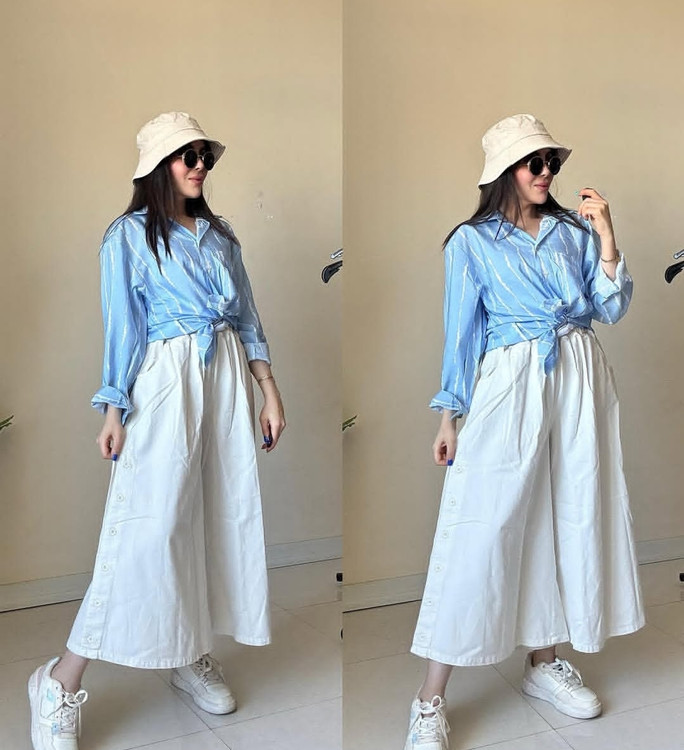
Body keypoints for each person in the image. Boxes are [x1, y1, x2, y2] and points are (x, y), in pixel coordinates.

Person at [28, 111, 286, 750]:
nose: (200, 166)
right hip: (165, 381)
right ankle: (59, 680)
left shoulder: (220, 236)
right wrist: (114, 409)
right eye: (187, 155)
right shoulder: (128, 236)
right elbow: (123, 327)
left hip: (225, 377)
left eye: (205, 156)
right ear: (157, 165)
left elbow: (248, 316)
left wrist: (268, 390)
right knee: (149, 525)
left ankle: (187, 652)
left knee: (212, 513)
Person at [404, 114, 644, 750]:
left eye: (552, 164)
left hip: (580, 378)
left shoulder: (573, 231)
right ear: (504, 170)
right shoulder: (470, 242)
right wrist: (450, 415)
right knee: (483, 526)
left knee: (568, 514)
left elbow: (611, 307)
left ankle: (544, 662)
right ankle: (429, 699)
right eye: (534, 163)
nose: (546, 173)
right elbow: (461, 335)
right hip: (511, 381)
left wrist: (607, 237)